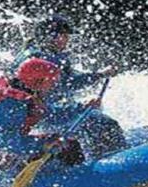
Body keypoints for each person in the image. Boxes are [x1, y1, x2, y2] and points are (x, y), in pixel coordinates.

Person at [12, 13, 125, 157]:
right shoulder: (43, 59)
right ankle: (117, 162)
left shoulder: (37, 53)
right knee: (103, 123)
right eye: (64, 36)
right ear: (50, 36)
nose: (67, 40)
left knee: (93, 118)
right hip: (44, 115)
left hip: (45, 112)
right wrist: (99, 75)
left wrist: (99, 76)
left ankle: (98, 153)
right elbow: (68, 83)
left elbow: (67, 81)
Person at [0, 58, 84, 171]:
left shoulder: (26, 95)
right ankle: (64, 181)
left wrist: (81, 108)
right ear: (37, 82)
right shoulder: (11, 104)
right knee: (67, 147)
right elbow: (5, 142)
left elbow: (50, 115)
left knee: (65, 143)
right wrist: (44, 144)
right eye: (51, 81)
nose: (54, 85)